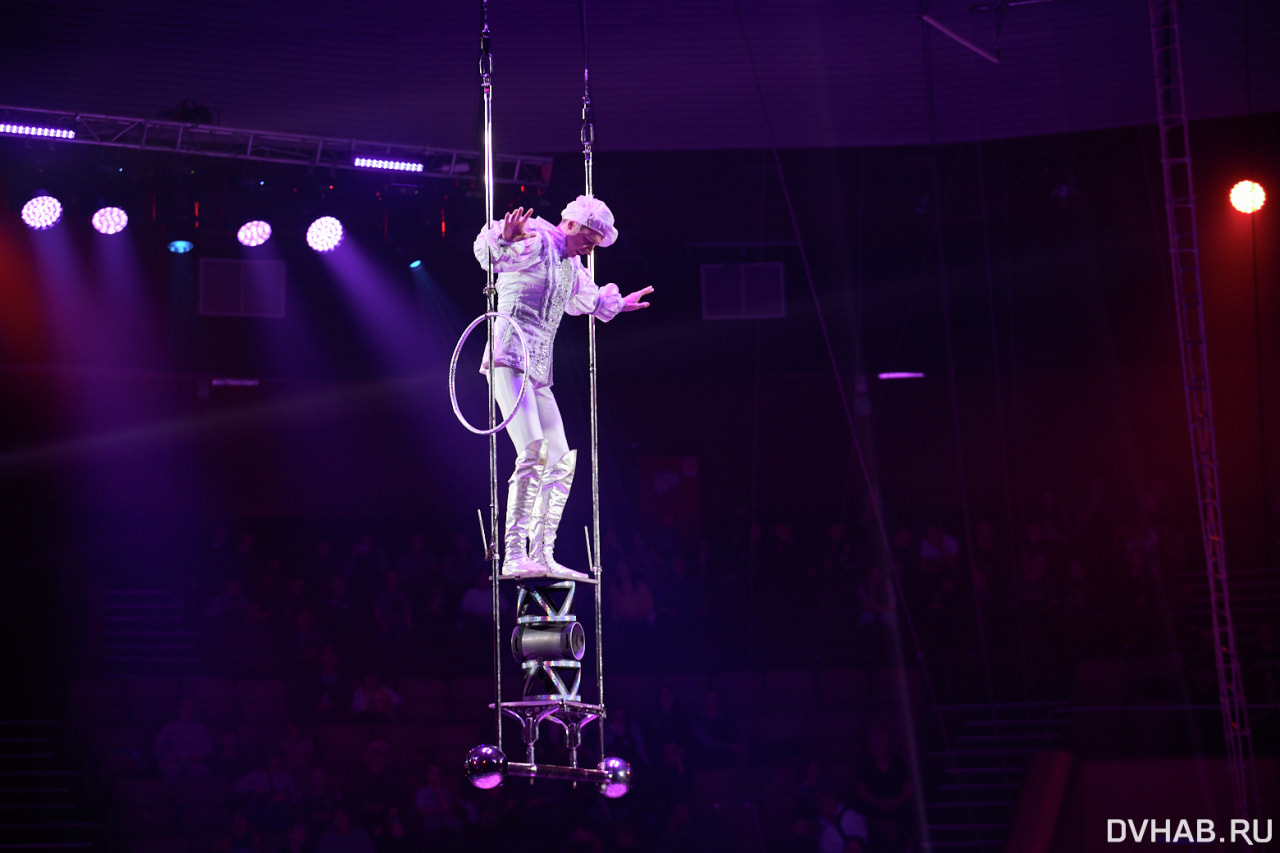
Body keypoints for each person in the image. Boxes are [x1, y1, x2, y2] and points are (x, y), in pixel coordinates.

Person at [473, 196, 653, 581]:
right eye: (590, 237)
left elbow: (589, 301)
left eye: (597, 242)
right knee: (533, 450)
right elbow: (492, 256)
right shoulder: (536, 237)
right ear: (571, 225)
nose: (592, 246)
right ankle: (513, 553)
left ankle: (542, 552)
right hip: (508, 355)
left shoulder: (573, 267)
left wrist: (619, 304)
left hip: (537, 369)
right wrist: (505, 238)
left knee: (560, 459)